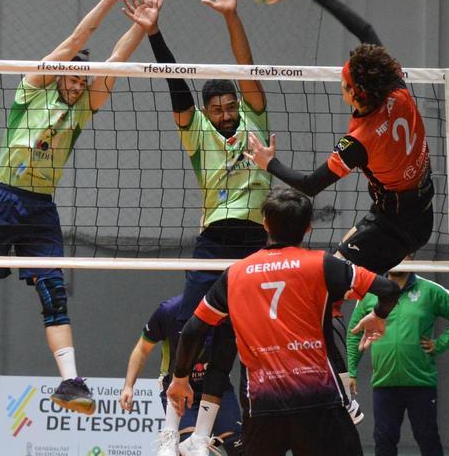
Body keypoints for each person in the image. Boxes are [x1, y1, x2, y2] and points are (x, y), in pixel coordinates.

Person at [0, 0, 161, 426]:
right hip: (3, 198)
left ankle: (71, 381)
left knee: (54, 292)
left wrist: (141, 28)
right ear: (59, 76)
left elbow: (113, 63)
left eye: (83, 80)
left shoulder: (82, 109)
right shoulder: (32, 90)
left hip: (40, 208)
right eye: (73, 77)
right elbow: (76, 42)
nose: (78, 84)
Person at [244, 0, 434, 420]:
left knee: (321, 291)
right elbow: (366, 31)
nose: (341, 85)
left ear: (360, 92)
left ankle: (342, 394)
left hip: (394, 225)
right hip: (413, 208)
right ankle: (345, 365)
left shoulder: (361, 139)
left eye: (346, 84)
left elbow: (309, 186)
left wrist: (270, 164)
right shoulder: (398, 88)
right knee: (327, 291)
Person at [122, 0, 270, 454]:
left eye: (231, 105)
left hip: (253, 242)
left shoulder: (253, 119)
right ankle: (170, 431)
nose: (227, 112)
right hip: (211, 240)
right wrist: (154, 32)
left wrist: (233, 15)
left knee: (232, 336)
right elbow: (177, 87)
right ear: (208, 112)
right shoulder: (198, 132)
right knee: (191, 329)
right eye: (219, 107)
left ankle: (204, 435)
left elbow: (247, 67)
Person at [168, 187, 403, 456]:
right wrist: (378, 317)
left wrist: (180, 377)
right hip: (319, 402)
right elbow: (389, 290)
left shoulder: (234, 275)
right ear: (308, 229)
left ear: (266, 224)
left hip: (263, 408)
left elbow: (192, 330)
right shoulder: (324, 265)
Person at [346, 255, 449, 456]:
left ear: (411, 256)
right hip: (384, 384)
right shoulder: (371, 292)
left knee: (428, 438)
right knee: (384, 442)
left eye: (402, 253)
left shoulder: (429, 290)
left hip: (420, 383)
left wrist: (440, 343)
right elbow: (354, 334)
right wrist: (352, 370)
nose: (397, 258)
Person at [121, 295, 242, 456]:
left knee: (238, 448)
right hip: (179, 391)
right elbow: (142, 349)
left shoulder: (225, 311)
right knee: (189, 449)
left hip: (216, 390)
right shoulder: (168, 311)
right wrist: (128, 385)